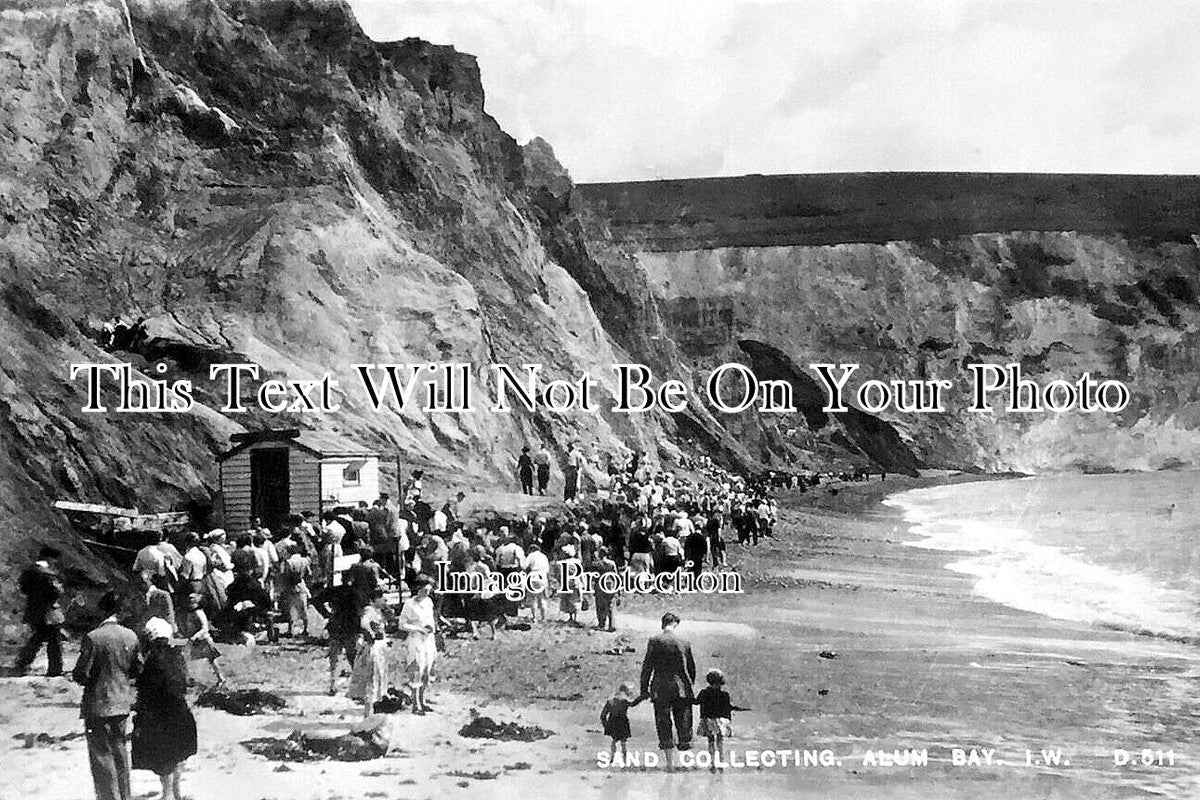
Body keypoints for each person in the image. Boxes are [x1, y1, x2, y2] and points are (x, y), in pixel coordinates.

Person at [72, 591, 141, 800]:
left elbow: (81, 673)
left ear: (102, 610)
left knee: (101, 754)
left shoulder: (93, 637)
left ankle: (109, 797)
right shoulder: (131, 636)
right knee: (120, 750)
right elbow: (137, 669)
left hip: (98, 702)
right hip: (121, 701)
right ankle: (125, 795)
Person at [131, 618, 197, 800]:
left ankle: (167, 794)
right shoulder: (177, 656)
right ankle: (176, 790)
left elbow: (145, 689)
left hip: (159, 716)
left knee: (163, 758)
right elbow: (185, 682)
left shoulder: (151, 661)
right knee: (179, 754)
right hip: (180, 712)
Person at [638, 612, 696, 769]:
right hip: (681, 688)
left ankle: (669, 764)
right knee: (684, 724)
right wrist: (690, 685)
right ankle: (684, 763)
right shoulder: (684, 641)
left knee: (663, 724)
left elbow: (647, 666)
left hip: (660, 687)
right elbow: (691, 667)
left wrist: (644, 689)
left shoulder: (655, 641)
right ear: (675, 624)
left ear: (662, 623)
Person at [14, 545, 65, 677]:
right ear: (50, 558)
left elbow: (24, 589)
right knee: (54, 641)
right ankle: (55, 669)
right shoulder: (48, 574)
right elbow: (55, 592)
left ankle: (23, 663)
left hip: (34, 610)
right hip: (49, 612)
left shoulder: (29, 571)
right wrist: (59, 590)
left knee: (38, 637)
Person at [312, 581, 364, 695]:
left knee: (334, 655)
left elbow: (316, 600)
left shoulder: (333, 591)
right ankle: (358, 686)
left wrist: (326, 614)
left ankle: (333, 685)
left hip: (336, 624)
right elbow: (361, 612)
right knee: (352, 656)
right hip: (351, 627)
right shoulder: (357, 592)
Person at [347, 588, 389, 718]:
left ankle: (372, 710)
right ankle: (368, 712)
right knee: (372, 679)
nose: (385, 601)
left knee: (378, 677)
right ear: (375, 599)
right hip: (373, 648)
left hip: (380, 647)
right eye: (382, 598)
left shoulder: (377, 612)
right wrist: (371, 635)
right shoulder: (369, 610)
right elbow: (364, 624)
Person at [398, 577, 437, 714]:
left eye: (429, 590)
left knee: (427, 668)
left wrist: (432, 628)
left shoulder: (429, 602)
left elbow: (431, 618)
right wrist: (418, 629)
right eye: (425, 590)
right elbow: (402, 624)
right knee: (417, 669)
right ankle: (415, 703)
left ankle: (422, 699)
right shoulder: (410, 604)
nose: (427, 593)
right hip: (416, 640)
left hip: (428, 639)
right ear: (418, 589)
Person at [693, 668, 734, 772]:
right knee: (720, 741)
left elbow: (696, 702)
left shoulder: (704, 692)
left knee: (710, 741)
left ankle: (712, 763)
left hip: (708, 719)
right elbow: (727, 709)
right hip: (721, 721)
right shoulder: (725, 695)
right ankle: (721, 761)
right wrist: (728, 723)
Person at [179, 594, 222, 685]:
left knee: (212, 659)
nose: (190, 605)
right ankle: (188, 678)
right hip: (194, 640)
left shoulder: (199, 613)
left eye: (192, 603)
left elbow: (205, 628)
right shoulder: (190, 614)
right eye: (189, 603)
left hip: (203, 639)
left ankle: (220, 678)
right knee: (184, 656)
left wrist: (195, 636)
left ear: (197, 603)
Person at [600, 683, 643, 764]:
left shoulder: (610, 701)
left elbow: (603, 716)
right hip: (623, 723)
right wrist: (641, 697)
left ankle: (612, 759)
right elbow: (633, 704)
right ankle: (624, 760)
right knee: (623, 743)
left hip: (613, 722)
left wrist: (606, 726)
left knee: (614, 741)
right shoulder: (624, 701)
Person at [278, 549, 313, 637]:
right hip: (301, 586)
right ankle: (306, 629)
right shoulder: (305, 561)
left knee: (290, 609)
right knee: (303, 609)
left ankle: (290, 630)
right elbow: (309, 573)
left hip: (291, 587)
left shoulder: (288, 562)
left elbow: (286, 575)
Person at [592, 547, 619, 632]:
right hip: (609, 584)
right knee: (610, 605)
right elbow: (615, 575)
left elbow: (594, 576)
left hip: (599, 585)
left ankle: (601, 623)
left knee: (600, 605)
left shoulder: (596, 564)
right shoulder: (611, 563)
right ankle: (611, 625)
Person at [523, 543, 550, 623]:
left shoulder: (531, 556)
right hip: (543, 576)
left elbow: (524, 566)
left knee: (533, 599)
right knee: (542, 598)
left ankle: (534, 617)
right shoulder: (544, 556)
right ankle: (543, 617)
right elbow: (547, 570)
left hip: (533, 575)